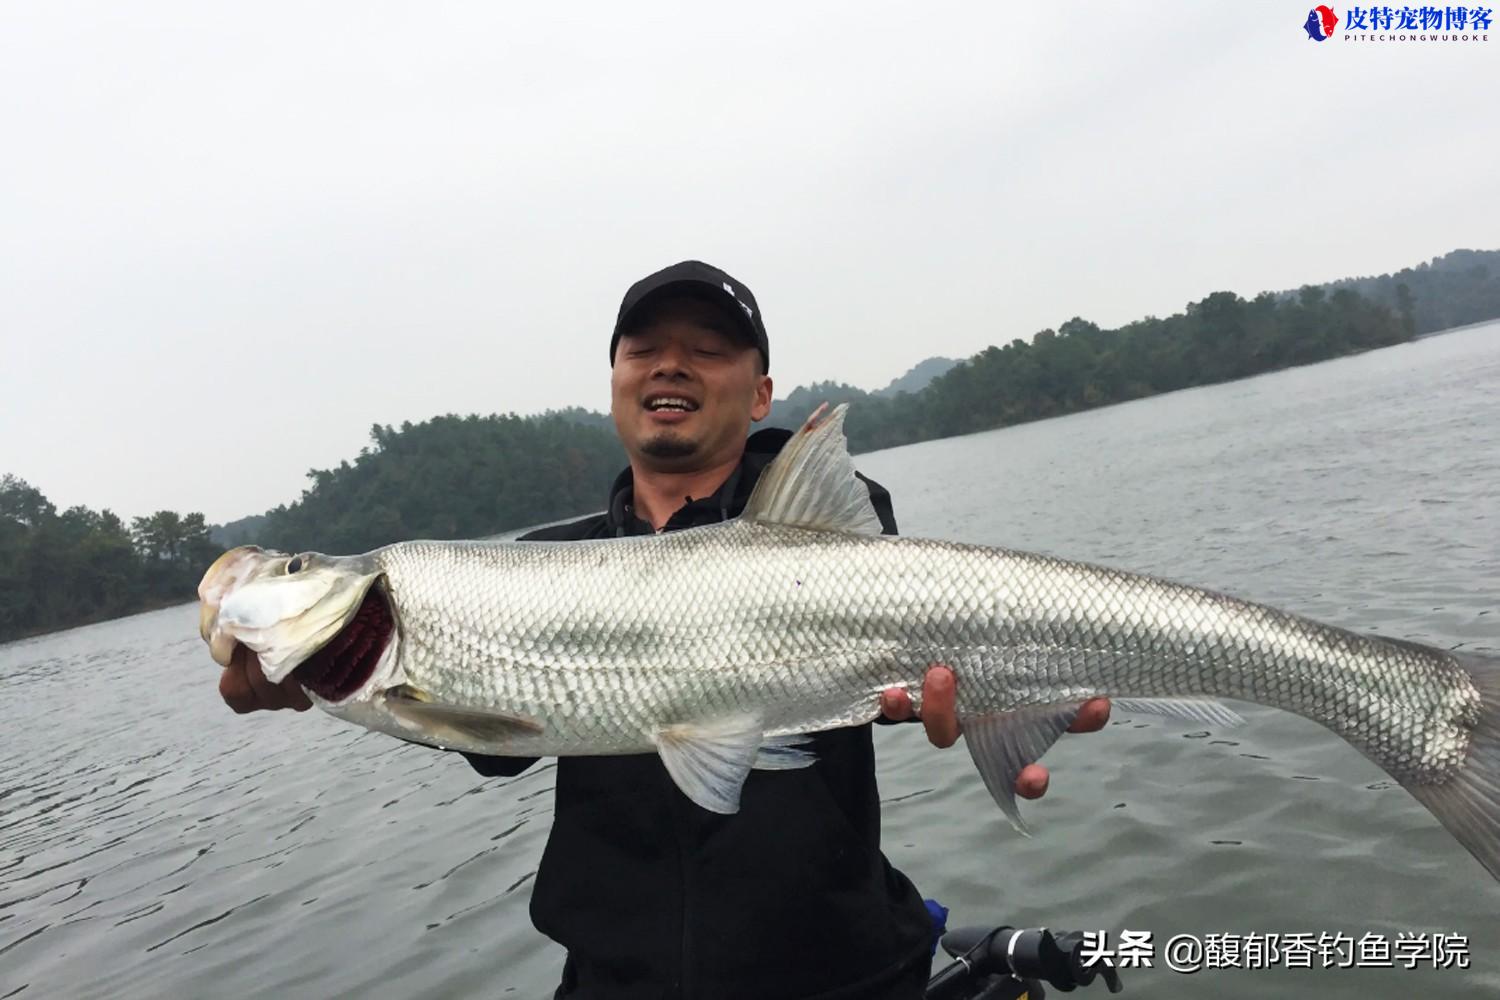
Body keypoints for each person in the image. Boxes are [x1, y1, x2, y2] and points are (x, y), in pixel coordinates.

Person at [218, 260, 1111, 999]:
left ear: (761, 392)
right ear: (614, 384)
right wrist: (327, 677)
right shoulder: (541, 565)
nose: (669, 366)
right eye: (643, 348)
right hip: (612, 981)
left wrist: (1003, 713)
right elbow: (494, 741)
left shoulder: (832, 538)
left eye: (708, 351)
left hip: (844, 970)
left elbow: (927, 666)